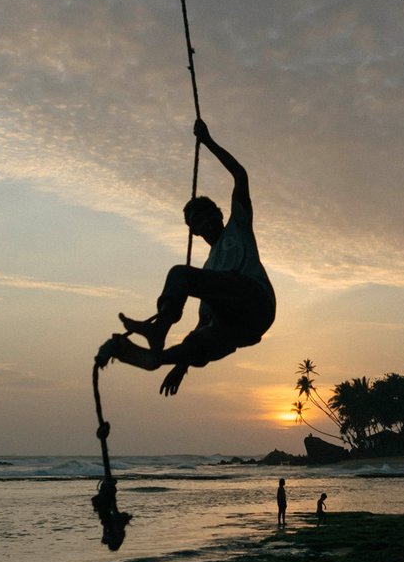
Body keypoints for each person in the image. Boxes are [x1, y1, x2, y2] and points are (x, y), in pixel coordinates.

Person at [95, 119, 276, 396]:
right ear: (193, 232)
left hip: (256, 303)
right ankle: (153, 358)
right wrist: (181, 365)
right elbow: (204, 323)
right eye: (197, 222)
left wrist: (208, 141)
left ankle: (158, 332)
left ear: (218, 213)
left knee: (180, 274)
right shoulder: (207, 270)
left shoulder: (238, 226)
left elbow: (240, 175)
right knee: (201, 337)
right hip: (240, 327)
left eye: (206, 215)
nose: (204, 223)